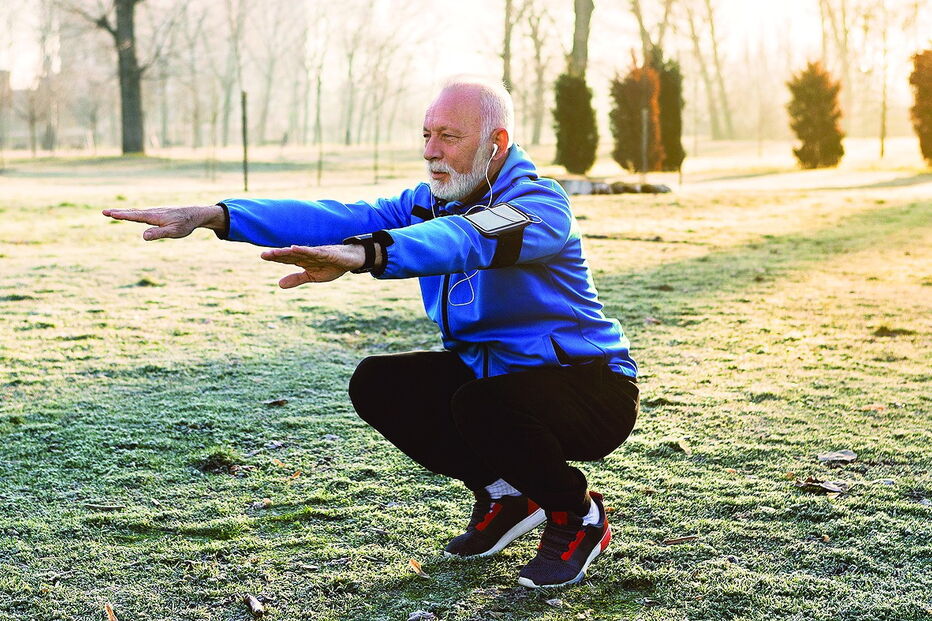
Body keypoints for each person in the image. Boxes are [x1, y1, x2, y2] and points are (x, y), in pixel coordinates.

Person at [103, 76, 639, 589]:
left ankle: (577, 514)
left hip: (590, 388)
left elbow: (465, 239)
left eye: (449, 137)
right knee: (380, 382)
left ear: (497, 143)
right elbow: (336, 217)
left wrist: (370, 253)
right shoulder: (428, 202)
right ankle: (507, 495)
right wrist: (217, 215)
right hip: (495, 378)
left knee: (483, 405)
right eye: (427, 135)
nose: (432, 151)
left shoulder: (540, 208)